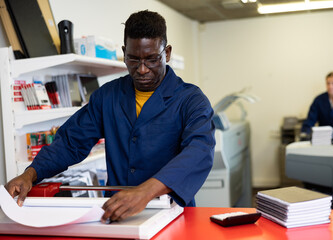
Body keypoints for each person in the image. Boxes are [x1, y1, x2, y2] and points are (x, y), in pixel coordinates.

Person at [5, 10, 215, 222]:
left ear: (166, 53)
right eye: (133, 59)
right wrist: (29, 174)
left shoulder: (191, 100)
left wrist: (145, 191)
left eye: (152, 59)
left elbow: (199, 151)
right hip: (116, 213)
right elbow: (71, 142)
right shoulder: (108, 96)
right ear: (124, 52)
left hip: (171, 212)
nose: (142, 69)